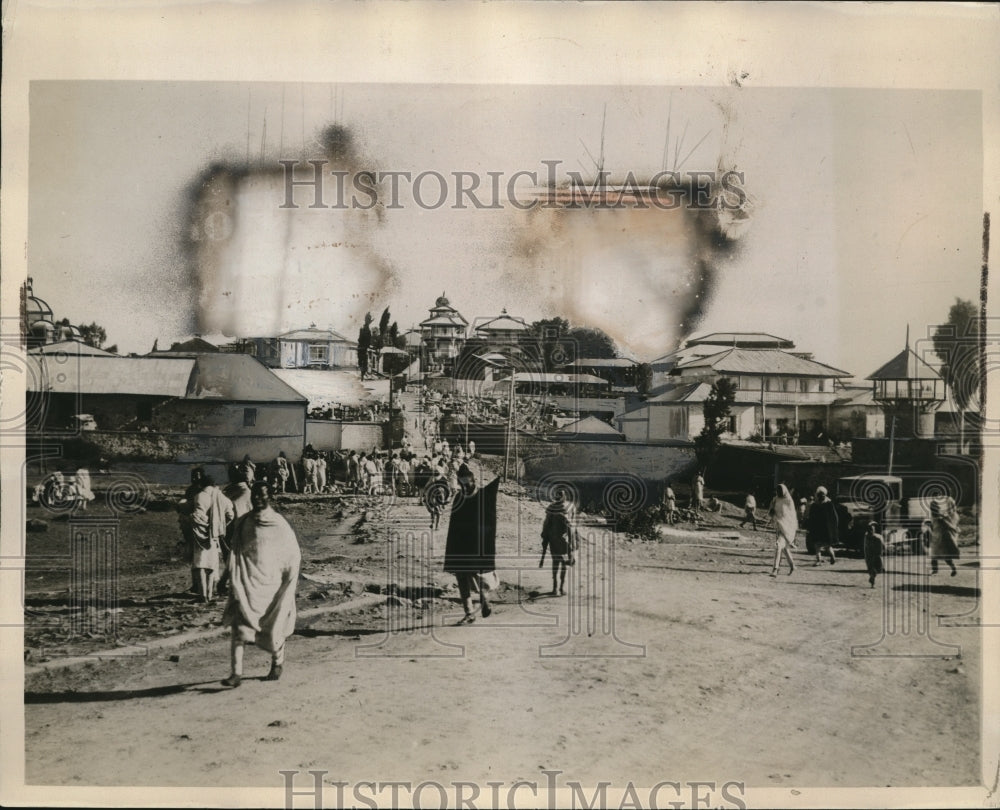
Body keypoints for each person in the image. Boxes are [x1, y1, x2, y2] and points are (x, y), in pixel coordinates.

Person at [221, 481, 301, 687]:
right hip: (247, 583)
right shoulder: (243, 522)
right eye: (255, 495)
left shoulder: (278, 523)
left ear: (269, 497)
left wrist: (289, 580)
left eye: (262, 495)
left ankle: (277, 663)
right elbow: (235, 552)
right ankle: (236, 673)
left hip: (271, 584)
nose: (257, 499)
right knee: (239, 628)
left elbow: (292, 554)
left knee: (273, 626)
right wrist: (225, 577)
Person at [444, 464, 500, 624]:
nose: (466, 486)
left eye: (468, 483)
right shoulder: (459, 498)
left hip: (476, 544)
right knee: (461, 577)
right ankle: (469, 612)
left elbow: (489, 520)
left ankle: (484, 599)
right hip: (461, 545)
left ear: (474, 480)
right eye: (463, 484)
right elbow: (454, 525)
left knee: (479, 575)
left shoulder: (482, 496)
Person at [190, 474, 235, 602]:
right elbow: (230, 514)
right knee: (211, 565)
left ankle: (202, 595)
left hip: (201, 534)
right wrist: (221, 526)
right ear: (213, 484)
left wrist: (194, 521)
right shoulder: (221, 496)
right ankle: (209, 594)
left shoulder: (200, 496)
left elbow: (198, 515)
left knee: (200, 564)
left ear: (201, 484)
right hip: (215, 535)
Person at [539, 489, 578, 596]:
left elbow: (546, 524)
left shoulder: (551, 507)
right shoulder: (570, 506)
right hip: (565, 542)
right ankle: (561, 588)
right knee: (564, 564)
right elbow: (573, 525)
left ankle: (555, 588)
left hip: (553, 540)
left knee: (555, 562)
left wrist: (544, 537)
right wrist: (574, 542)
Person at [767, 484, 798, 576]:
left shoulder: (789, 500)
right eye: (777, 490)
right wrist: (771, 512)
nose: (778, 492)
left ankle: (775, 569)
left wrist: (789, 527)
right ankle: (792, 566)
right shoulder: (775, 499)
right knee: (784, 548)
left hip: (787, 527)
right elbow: (771, 512)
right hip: (779, 526)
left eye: (780, 490)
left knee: (778, 546)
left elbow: (791, 516)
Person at [807, 486, 839, 566]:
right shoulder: (829, 504)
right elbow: (834, 517)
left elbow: (811, 518)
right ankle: (832, 556)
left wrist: (810, 527)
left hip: (820, 528)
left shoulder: (815, 505)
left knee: (817, 545)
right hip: (825, 529)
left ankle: (819, 560)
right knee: (827, 545)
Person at [929, 495, 960, 576]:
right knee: (942, 554)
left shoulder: (941, 517)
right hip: (940, 534)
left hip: (940, 535)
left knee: (934, 554)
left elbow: (946, 524)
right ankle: (953, 568)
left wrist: (952, 527)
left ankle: (936, 570)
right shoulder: (951, 515)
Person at [424, 466, 451, 531]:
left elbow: (426, 487)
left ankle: (434, 524)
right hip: (437, 496)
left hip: (434, 496)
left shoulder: (433, 478)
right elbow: (448, 489)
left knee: (434, 511)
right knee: (437, 511)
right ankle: (436, 525)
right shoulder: (442, 478)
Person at [864, 522, 885, 588]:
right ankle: (872, 580)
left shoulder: (866, 537)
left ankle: (872, 578)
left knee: (872, 569)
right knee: (876, 569)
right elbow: (883, 546)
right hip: (875, 555)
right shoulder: (878, 537)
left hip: (870, 555)